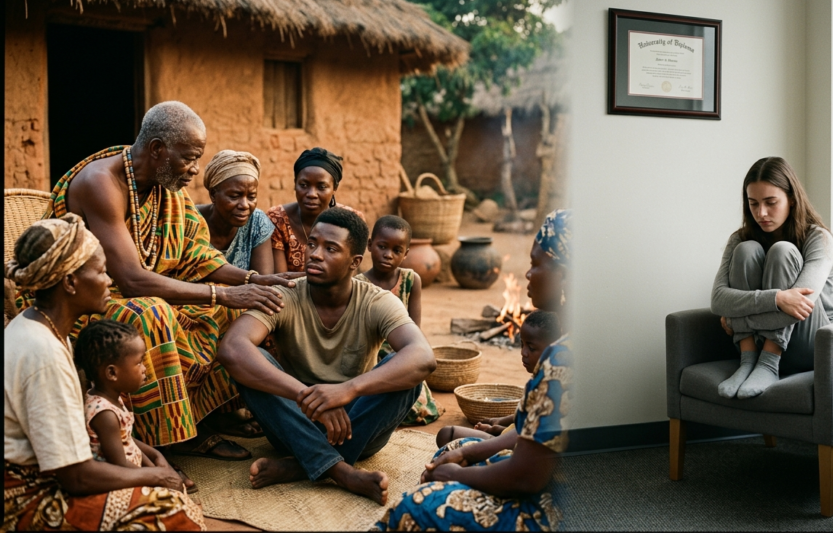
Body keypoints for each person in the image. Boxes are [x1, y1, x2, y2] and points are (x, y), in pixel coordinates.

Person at [26, 101, 297, 465]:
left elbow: (195, 254)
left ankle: (203, 417)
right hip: (79, 302)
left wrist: (253, 279)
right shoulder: (100, 183)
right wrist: (223, 294)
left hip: (133, 292)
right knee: (153, 314)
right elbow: (132, 279)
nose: (195, 169)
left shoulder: (163, 186)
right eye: (190, 158)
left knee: (233, 312)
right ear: (157, 149)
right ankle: (164, 442)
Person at [217, 207, 436, 505]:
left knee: (406, 375)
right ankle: (342, 472)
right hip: (293, 422)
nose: (315, 255)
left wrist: (347, 390)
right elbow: (232, 348)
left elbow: (423, 357)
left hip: (357, 426)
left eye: (330, 249)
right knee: (251, 362)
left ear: (354, 262)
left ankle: (300, 465)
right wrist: (309, 397)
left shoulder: (377, 301)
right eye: (312, 244)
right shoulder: (286, 294)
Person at [374, 209, 573, 531]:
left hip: (557, 508)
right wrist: (469, 458)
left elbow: (525, 478)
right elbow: (534, 437)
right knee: (456, 448)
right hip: (561, 478)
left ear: (564, 275)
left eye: (536, 264)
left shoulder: (563, 359)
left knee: (415, 506)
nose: (527, 274)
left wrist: (459, 475)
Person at [4, 214, 204, 531]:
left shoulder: (42, 328)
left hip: (46, 474)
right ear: (70, 282)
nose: (109, 280)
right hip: (21, 498)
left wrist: (149, 468)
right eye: (100, 271)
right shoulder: (43, 352)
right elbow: (77, 477)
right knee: (172, 513)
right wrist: (156, 476)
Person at [711, 156, 833, 399]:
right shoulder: (739, 238)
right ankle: (748, 360)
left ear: (791, 198)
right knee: (746, 250)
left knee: (783, 251)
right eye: (753, 203)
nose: (761, 213)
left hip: (811, 341)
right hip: (756, 343)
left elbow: (800, 305)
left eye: (771, 202)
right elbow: (718, 300)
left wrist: (735, 316)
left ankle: (769, 363)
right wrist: (778, 298)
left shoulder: (819, 238)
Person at [75, 320, 200, 490]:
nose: (144, 368)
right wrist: (156, 477)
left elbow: (127, 440)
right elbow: (120, 465)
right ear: (112, 373)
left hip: (134, 473)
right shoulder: (104, 414)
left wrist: (156, 459)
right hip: (122, 483)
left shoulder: (111, 398)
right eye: (139, 362)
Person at [354, 215, 441, 426]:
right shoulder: (357, 284)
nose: (388, 255)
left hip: (401, 355)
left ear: (405, 254)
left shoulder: (411, 280)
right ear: (369, 245)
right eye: (382, 246)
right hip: (369, 357)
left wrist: (408, 360)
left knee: (419, 410)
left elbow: (415, 330)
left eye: (396, 250)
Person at [434, 309, 562, 447]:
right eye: (522, 344)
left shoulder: (552, 388)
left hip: (520, 449)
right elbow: (523, 418)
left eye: (531, 348)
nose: (523, 352)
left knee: (449, 437)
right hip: (508, 438)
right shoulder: (538, 379)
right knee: (446, 434)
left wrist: (491, 437)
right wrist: (500, 423)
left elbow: (527, 438)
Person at [268, 148, 365, 274]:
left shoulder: (352, 221)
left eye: (321, 187)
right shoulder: (277, 219)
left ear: (335, 188)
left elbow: (348, 275)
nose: (311, 194)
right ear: (295, 183)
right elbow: (280, 279)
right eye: (304, 185)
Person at [197, 149, 275, 276]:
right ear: (213, 194)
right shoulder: (190, 220)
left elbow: (263, 281)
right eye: (234, 196)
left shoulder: (257, 222)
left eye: (251, 197)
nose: (245, 205)